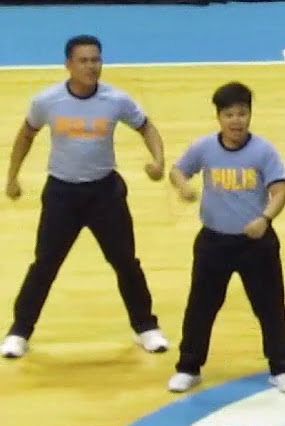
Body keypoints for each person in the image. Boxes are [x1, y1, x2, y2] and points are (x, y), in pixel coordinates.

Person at [2, 34, 168, 360]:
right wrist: (12, 177)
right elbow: (26, 134)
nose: (91, 66)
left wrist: (158, 160)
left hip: (104, 192)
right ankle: (19, 331)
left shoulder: (116, 99)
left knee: (125, 262)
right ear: (68, 65)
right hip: (62, 193)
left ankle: (146, 327)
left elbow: (146, 127)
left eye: (96, 60)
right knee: (45, 264)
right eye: (84, 61)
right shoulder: (47, 101)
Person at [166, 82, 285, 394]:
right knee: (201, 306)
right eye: (230, 114)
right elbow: (177, 171)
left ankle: (282, 368)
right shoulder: (204, 148)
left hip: (256, 243)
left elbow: (279, 191)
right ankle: (189, 367)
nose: (236, 120)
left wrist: (265, 218)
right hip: (214, 242)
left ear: (250, 114)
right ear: (219, 117)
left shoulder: (263, 151)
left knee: (270, 306)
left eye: (242, 113)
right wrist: (182, 186)